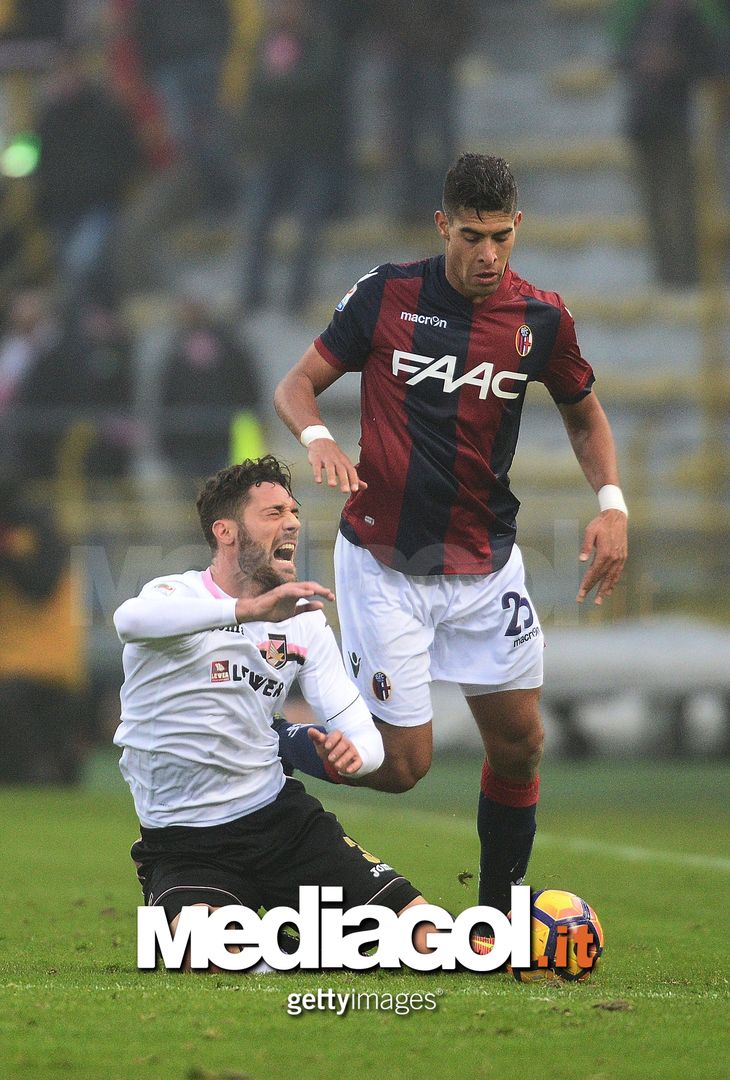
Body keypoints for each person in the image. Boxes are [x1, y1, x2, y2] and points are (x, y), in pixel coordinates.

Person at [273, 153, 629, 922]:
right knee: (402, 767)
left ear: (518, 228)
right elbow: (295, 383)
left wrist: (612, 504)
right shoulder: (387, 294)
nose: (488, 255)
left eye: (501, 236)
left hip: (485, 567)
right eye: (472, 235)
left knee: (520, 744)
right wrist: (317, 439)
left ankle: (499, 915)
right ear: (443, 226)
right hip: (386, 563)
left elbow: (583, 412)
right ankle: (267, 746)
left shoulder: (542, 319)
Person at [112, 455, 431, 969]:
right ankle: (289, 949)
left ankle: (294, 945)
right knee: (210, 958)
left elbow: (360, 731)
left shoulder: (302, 622)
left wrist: (358, 755)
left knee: (426, 934)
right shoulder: (178, 595)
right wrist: (247, 610)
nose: (293, 523)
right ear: (226, 531)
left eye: (294, 512)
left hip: (281, 823)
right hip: (185, 843)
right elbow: (130, 620)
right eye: (273, 512)